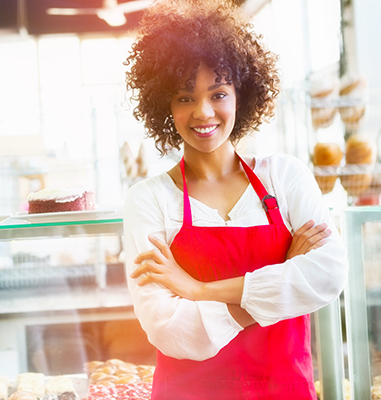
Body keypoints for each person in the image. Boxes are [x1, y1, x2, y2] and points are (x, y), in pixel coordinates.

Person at [122, 1, 348, 399]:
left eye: (218, 93)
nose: (203, 112)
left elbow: (327, 275)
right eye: (184, 98)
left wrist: (200, 291)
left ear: (242, 93)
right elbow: (170, 331)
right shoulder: (148, 199)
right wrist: (285, 271)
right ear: (164, 105)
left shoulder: (286, 176)